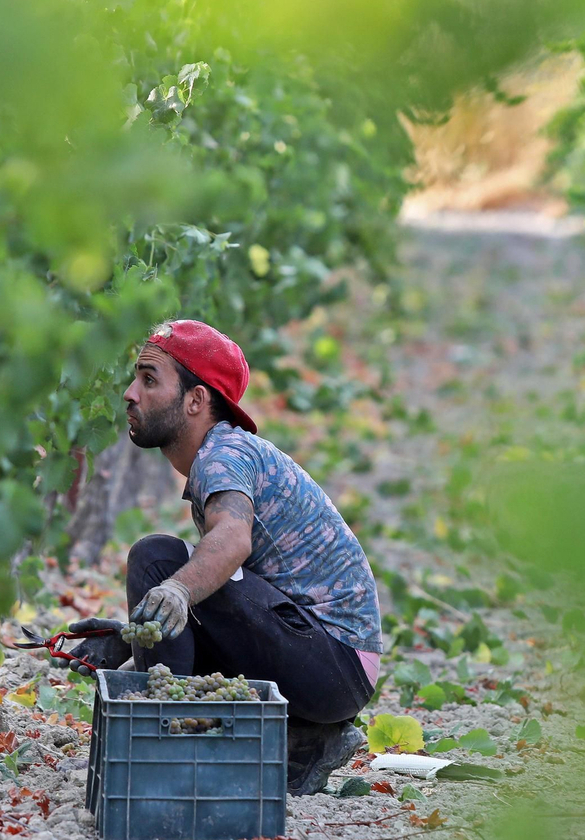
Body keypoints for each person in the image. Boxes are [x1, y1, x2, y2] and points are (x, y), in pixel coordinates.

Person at [63, 319, 382, 795]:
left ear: (196, 400)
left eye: (149, 380)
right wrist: (134, 637)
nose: (130, 393)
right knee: (174, 574)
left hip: (330, 663)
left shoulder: (223, 455)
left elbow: (232, 543)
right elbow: (227, 599)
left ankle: (163, 759)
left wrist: (171, 589)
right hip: (332, 666)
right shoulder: (224, 455)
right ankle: (307, 741)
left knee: (158, 560)